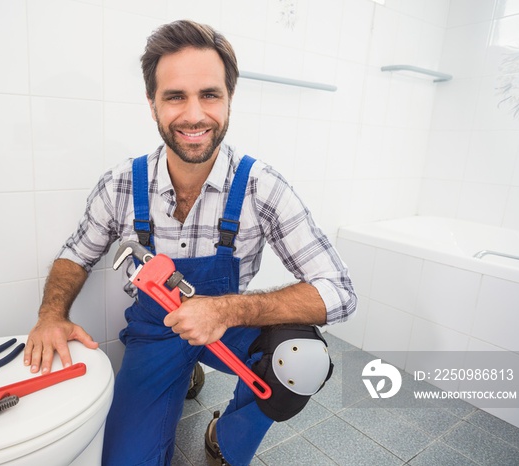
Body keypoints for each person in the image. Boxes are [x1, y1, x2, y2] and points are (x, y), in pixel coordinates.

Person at [24, 20, 356, 466]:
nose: (194, 114)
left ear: (229, 100)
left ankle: (226, 437)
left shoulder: (262, 187)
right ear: (152, 104)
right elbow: (75, 255)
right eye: (175, 96)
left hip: (230, 329)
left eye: (209, 95)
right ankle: (185, 372)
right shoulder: (122, 185)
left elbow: (339, 291)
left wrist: (224, 310)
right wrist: (50, 316)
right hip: (156, 334)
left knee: (303, 359)